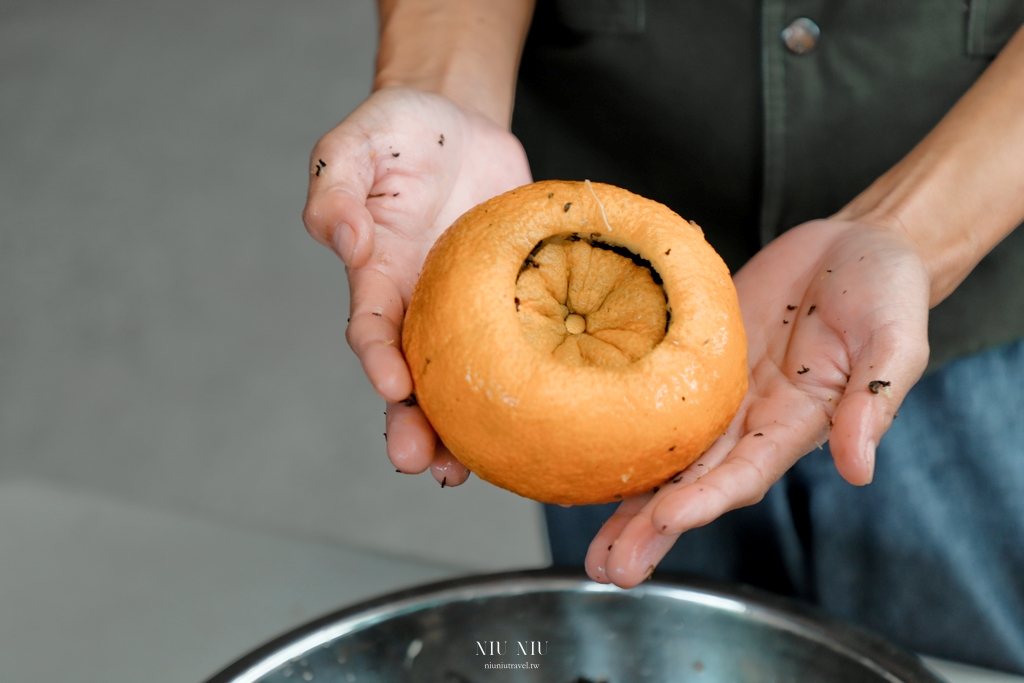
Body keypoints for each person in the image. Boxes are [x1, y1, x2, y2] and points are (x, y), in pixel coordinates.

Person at [303, 0, 1024, 673]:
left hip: (979, 251)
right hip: (574, 275)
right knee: (646, 649)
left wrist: (914, 231)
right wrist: (445, 92)